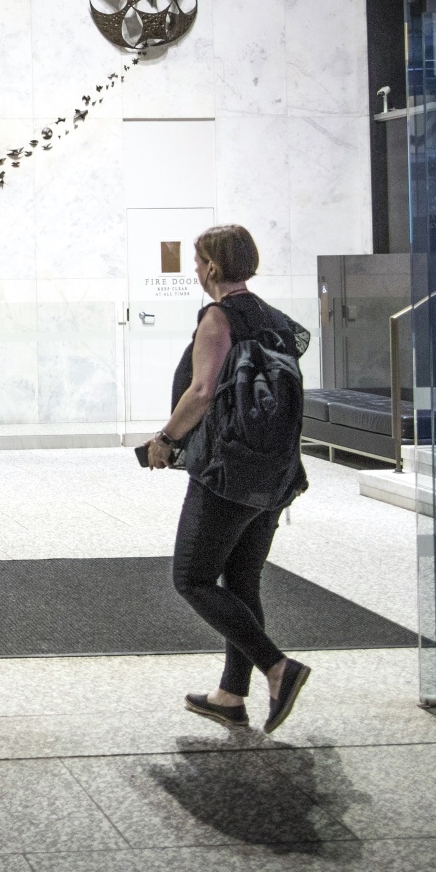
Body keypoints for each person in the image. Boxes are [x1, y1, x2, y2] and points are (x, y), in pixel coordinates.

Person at [143, 224, 312, 734]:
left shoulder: (218, 317)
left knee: (191, 578)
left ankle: (277, 667)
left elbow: (201, 392)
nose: (195, 270)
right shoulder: (275, 320)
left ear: (212, 267)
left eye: (198, 262)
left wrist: (165, 440)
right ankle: (230, 696)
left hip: (228, 470)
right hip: (276, 471)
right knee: (240, 581)